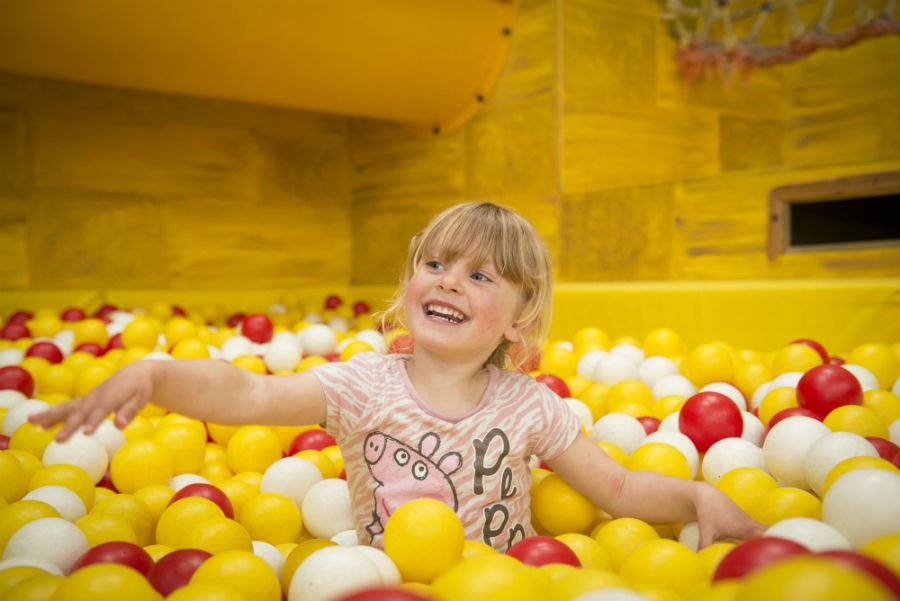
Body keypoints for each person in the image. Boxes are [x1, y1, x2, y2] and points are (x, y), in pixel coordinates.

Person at [30, 201, 764, 552]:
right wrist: (155, 375)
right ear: (410, 280)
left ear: (518, 319)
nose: (447, 282)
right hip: (377, 584)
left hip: (502, 582)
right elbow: (249, 394)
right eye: (435, 264)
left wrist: (698, 493)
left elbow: (619, 489)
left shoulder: (528, 405)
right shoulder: (361, 385)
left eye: (479, 274)